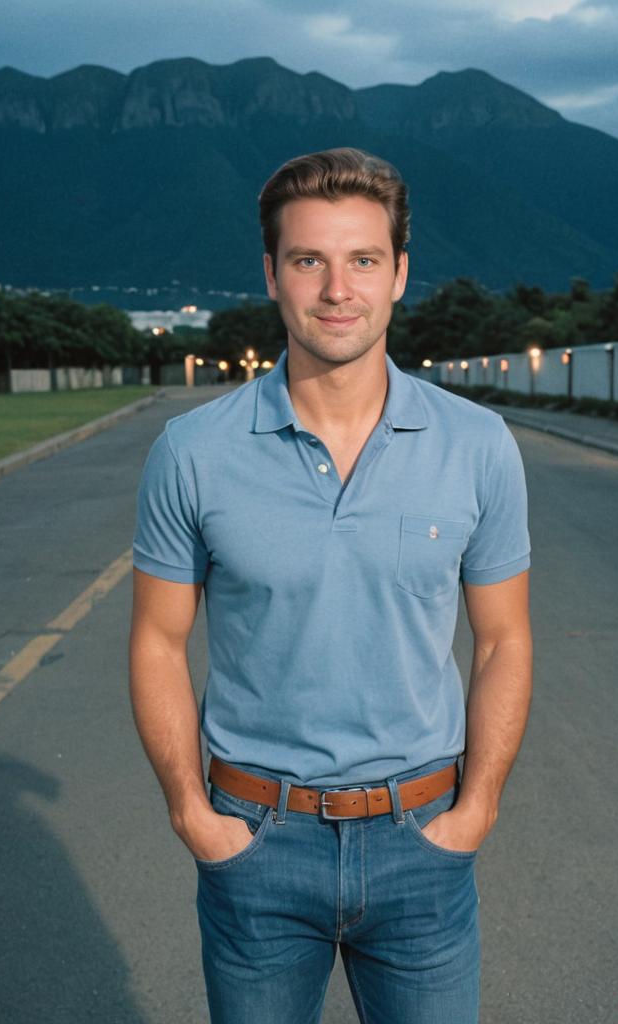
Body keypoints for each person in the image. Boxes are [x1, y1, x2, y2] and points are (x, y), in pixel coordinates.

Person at [129, 147, 532, 1023]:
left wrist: (478, 811)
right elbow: (157, 641)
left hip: (422, 840)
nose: (337, 288)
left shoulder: (479, 445)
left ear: (399, 276)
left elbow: (504, 639)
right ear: (272, 274)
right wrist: (193, 815)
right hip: (257, 845)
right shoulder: (192, 453)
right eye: (309, 260)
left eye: (363, 260)